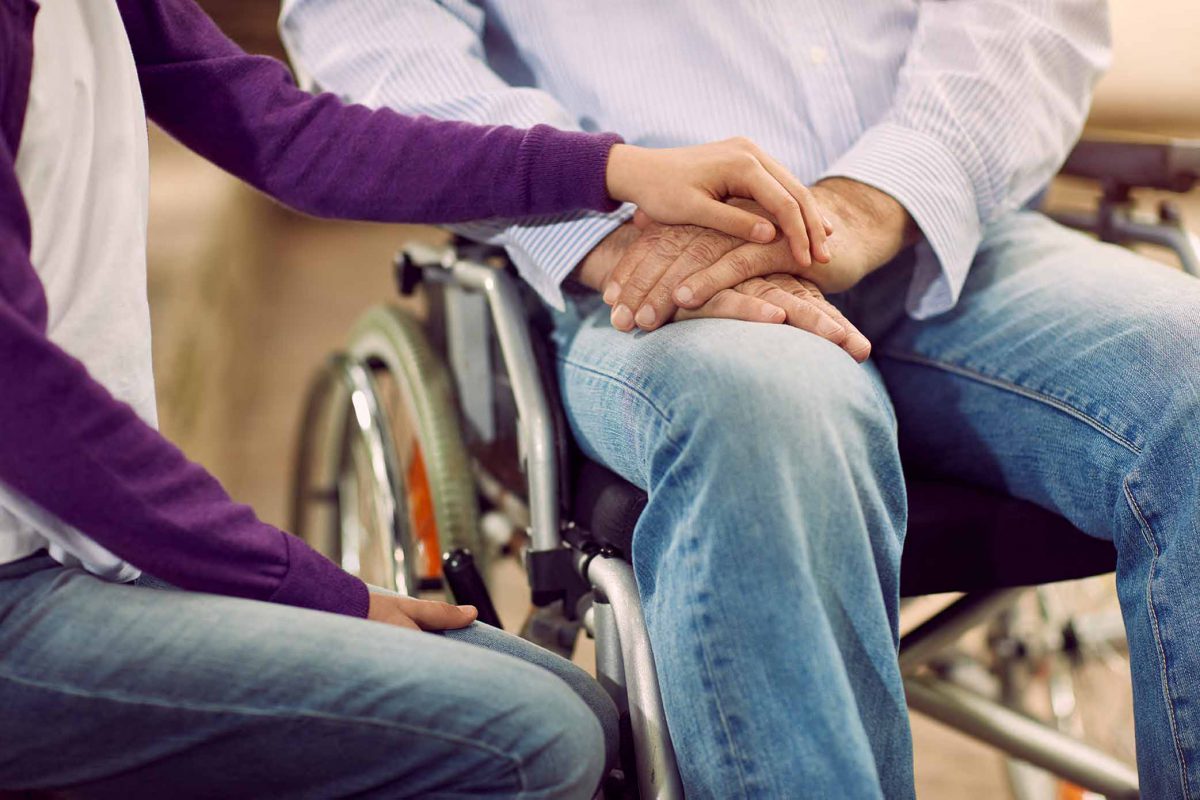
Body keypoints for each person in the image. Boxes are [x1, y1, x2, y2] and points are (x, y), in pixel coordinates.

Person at [281, 2, 1200, 798]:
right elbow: (369, 24)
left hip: (936, 229)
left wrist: (881, 194)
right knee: (768, 413)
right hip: (635, 256)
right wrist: (600, 211)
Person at [0, 0, 837, 796]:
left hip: (66, 550)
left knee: (576, 703)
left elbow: (287, 134)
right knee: (535, 739)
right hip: (20, 588)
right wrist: (307, 587)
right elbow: (25, 404)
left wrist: (615, 171)